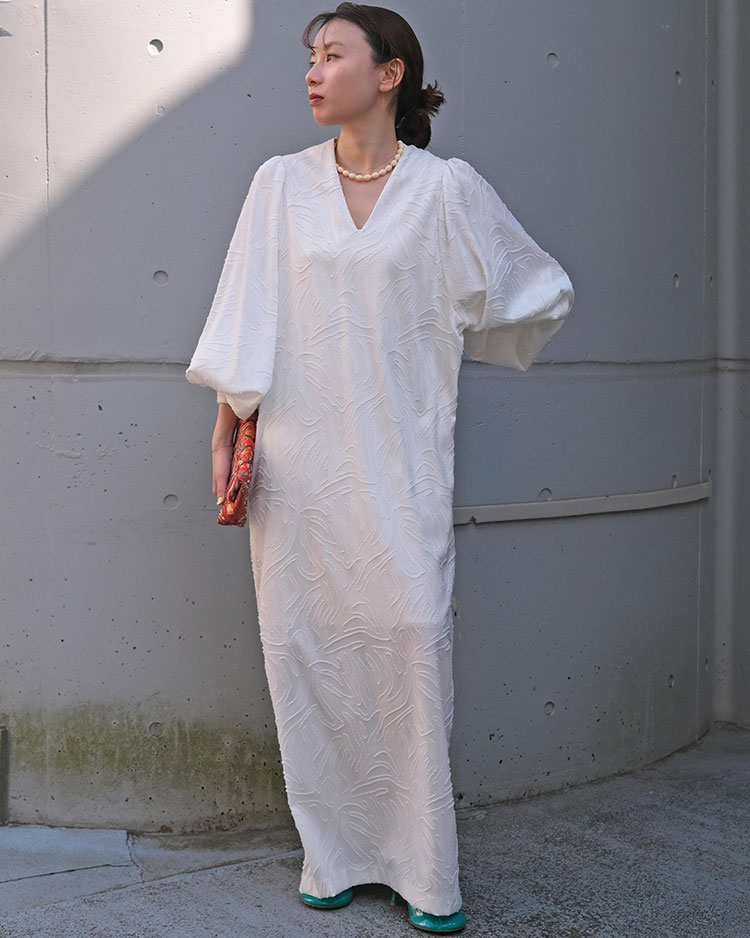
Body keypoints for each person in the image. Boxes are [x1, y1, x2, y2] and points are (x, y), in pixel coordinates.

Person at [186, 3, 574, 932]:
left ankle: (425, 874)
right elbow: (246, 314)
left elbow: (532, 290)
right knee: (306, 651)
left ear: (390, 73)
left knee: (410, 641)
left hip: (402, 466)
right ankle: (330, 855)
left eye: (333, 54)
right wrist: (224, 430)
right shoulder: (279, 185)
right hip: (298, 468)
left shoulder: (446, 191)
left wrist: (459, 317)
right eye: (310, 57)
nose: (313, 72)